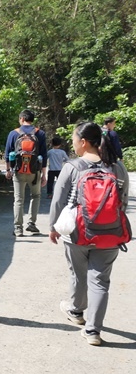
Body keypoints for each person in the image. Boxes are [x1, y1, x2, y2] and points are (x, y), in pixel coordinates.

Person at [49, 121, 129, 346]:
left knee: (78, 273)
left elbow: (58, 200)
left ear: (83, 143)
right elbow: (122, 200)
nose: (73, 144)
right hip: (110, 233)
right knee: (100, 281)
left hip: (78, 231)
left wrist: (53, 227)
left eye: (74, 139)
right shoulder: (117, 167)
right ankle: (93, 331)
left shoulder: (72, 167)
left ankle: (76, 311)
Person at [4, 109, 48, 237]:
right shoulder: (40, 133)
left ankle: (18, 229)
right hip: (35, 171)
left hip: (18, 171)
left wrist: (8, 170)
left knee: (18, 199)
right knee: (36, 196)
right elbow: (44, 155)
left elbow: (7, 154)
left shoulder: (13, 133)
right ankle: (31, 224)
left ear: (22, 119)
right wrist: (44, 174)